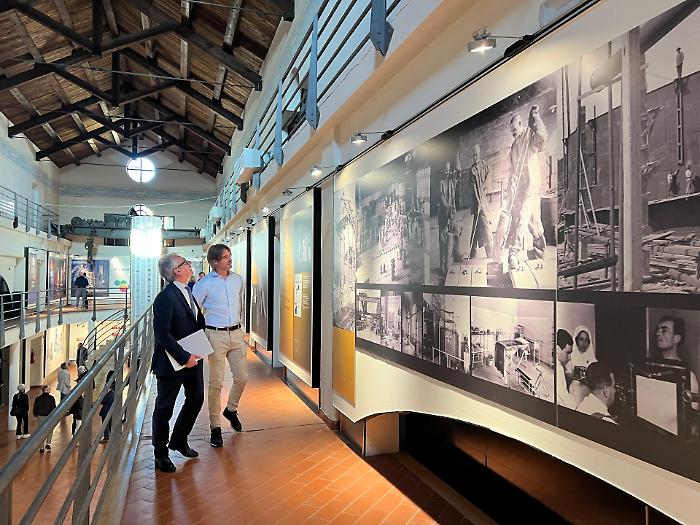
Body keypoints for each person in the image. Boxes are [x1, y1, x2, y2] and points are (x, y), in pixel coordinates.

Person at [152, 253, 205, 473]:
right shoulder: (165, 297)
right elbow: (162, 334)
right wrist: (184, 357)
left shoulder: (187, 290)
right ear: (177, 270)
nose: (190, 265)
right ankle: (160, 453)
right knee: (164, 409)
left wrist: (199, 349)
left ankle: (179, 440)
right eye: (186, 263)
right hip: (171, 363)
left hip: (193, 357)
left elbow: (193, 322)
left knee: (196, 399)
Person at [193, 244, 246, 448]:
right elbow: (194, 311)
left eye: (230, 255)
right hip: (215, 335)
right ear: (214, 262)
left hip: (236, 333)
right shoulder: (204, 284)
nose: (230, 259)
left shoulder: (237, 279)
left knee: (242, 377)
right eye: (225, 257)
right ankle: (215, 427)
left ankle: (231, 410)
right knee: (216, 383)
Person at [505, 106, 548, 270]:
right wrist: (510, 185)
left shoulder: (530, 135)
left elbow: (542, 139)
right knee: (534, 222)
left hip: (532, 185)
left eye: (515, 130)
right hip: (521, 189)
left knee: (522, 218)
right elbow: (512, 169)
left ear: (521, 124)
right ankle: (539, 252)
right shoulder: (514, 146)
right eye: (511, 132)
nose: (513, 134)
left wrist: (535, 118)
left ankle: (513, 253)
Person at [655, 315, 699, 410]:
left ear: (677, 338)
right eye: (658, 330)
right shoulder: (652, 370)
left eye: (664, 330)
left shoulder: (688, 376)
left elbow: (692, 414)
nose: (658, 333)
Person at [469, 144, 494, 258]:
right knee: (481, 225)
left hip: (483, 200)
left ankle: (475, 251)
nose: (475, 157)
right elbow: (473, 188)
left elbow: (489, 174)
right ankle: (484, 251)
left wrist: (485, 185)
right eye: (473, 156)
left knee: (480, 225)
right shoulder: (472, 170)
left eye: (476, 155)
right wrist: (478, 202)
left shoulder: (484, 164)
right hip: (476, 202)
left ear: (479, 154)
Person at [438, 161, 457, 276]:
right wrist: (448, 208)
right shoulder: (441, 183)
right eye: (446, 170)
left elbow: (453, 197)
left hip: (451, 214)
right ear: (442, 171)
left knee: (453, 237)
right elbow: (442, 199)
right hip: (443, 216)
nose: (447, 173)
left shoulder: (451, 182)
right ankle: (443, 267)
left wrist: (453, 209)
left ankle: (450, 263)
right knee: (443, 241)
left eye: (449, 170)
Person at [556, 330, 577, 409]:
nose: (569, 358)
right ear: (557, 349)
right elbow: (564, 399)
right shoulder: (559, 369)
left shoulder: (559, 365)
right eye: (567, 353)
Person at [33, 385, 56, 453]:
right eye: (49, 389)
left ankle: (41, 447)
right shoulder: (51, 398)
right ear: (46, 390)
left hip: (40, 416)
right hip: (49, 416)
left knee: (41, 431)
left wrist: (36, 415)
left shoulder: (38, 398)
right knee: (50, 430)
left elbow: (35, 408)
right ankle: (48, 444)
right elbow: (53, 408)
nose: (50, 389)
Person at [99, 370, 115, 442]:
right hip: (112, 408)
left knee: (105, 423)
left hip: (106, 409)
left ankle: (106, 437)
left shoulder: (108, 389)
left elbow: (102, 400)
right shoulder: (115, 385)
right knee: (111, 422)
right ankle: (111, 434)